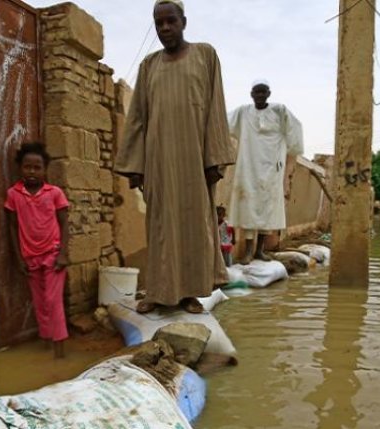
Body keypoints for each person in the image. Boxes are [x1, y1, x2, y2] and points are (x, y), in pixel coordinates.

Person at [114, 0, 235, 314]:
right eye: (159, 23)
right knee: (161, 228)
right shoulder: (149, 66)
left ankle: (191, 294)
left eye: (171, 21)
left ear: (184, 21)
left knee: (195, 226)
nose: (165, 28)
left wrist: (214, 159)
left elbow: (215, 108)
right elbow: (138, 117)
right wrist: (135, 167)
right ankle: (156, 292)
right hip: (159, 161)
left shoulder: (206, 55)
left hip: (195, 161)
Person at [227, 79, 304, 264]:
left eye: (263, 92)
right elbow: (222, 121)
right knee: (248, 207)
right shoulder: (243, 112)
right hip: (248, 166)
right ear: (251, 94)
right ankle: (247, 251)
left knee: (266, 208)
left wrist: (292, 151)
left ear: (269, 93)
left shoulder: (279, 111)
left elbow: (295, 130)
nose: (260, 95)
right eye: (256, 92)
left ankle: (259, 251)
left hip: (271, 168)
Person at [5, 142, 70, 358]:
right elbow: (13, 227)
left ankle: (60, 353)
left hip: (53, 254)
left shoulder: (55, 193)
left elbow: (64, 224)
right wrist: (19, 258)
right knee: (40, 303)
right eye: (27, 167)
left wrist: (63, 253)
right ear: (20, 168)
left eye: (37, 167)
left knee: (53, 301)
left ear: (45, 170)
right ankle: (45, 344)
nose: (32, 172)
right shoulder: (13, 194)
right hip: (29, 256)